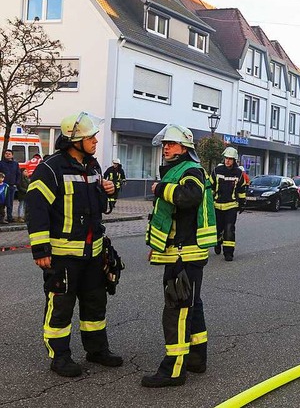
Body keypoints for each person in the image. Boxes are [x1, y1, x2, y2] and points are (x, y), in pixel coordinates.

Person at [25, 112, 122, 378]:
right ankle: (60, 356)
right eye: (90, 137)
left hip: (93, 254)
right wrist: (41, 249)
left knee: (95, 304)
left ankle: (97, 350)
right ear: (74, 141)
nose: (95, 141)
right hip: (63, 255)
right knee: (61, 306)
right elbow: (36, 208)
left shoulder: (93, 166)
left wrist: (109, 192)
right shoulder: (51, 168)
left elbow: (102, 208)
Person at [144, 124, 216, 387]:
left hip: (185, 253)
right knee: (191, 305)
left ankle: (173, 370)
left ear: (184, 148)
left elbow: (190, 197)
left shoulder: (190, 170)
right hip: (180, 251)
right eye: (164, 144)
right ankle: (197, 358)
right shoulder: (178, 169)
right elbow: (168, 218)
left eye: (171, 144)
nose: (166, 148)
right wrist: (156, 245)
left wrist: (160, 189)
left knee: (177, 308)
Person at [212, 147, 246, 262]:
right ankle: (217, 242)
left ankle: (228, 253)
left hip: (231, 206)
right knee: (217, 229)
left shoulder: (239, 173)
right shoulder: (217, 170)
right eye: (226, 158)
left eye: (230, 159)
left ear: (234, 160)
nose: (227, 161)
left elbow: (241, 190)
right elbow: (211, 187)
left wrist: (242, 203)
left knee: (229, 228)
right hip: (216, 205)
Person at [0, 149, 21, 222]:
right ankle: (1, 218)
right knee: (2, 202)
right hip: (2, 186)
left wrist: (16, 183)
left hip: (12, 186)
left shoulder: (15, 164)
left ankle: (10, 217)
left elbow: (18, 174)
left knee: (10, 203)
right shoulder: (1, 163)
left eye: (9, 154)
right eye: (6, 153)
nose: (7, 155)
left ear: (12, 155)